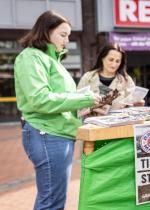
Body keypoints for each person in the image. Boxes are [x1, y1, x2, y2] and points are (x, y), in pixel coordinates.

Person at [14, 10, 101, 210]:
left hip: (58, 133)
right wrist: (83, 99)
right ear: (45, 31)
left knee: (54, 199)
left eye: (69, 36)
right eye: (63, 35)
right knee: (52, 202)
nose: (67, 40)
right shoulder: (31, 57)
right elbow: (40, 99)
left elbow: (62, 102)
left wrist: (86, 108)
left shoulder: (53, 60)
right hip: (47, 133)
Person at [77, 42, 144, 117]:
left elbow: (133, 109)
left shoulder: (126, 80)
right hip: (92, 126)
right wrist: (92, 107)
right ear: (102, 58)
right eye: (111, 60)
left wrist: (137, 105)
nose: (114, 64)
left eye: (117, 61)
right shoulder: (88, 77)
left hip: (119, 126)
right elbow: (76, 104)